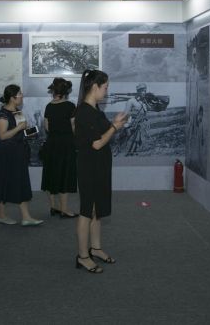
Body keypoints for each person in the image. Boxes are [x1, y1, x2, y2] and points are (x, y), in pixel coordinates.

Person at [74, 70, 127, 273]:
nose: (107, 91)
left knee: (97, 209)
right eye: (105, 87)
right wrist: (114, 127)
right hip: (89, 167)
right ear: (95, 87)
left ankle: (95, 248)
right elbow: (96, 143)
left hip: (99, 166)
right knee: (87, 211)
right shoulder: (84, 112)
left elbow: (102, 132)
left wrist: (115, 124)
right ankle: (82, 256)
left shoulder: (94, 109)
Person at [0, 84, 43, 226]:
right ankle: (2, 215)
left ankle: (26, 217)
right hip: (7, 153)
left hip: (19, 151)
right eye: (19, 94)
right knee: (3, 182)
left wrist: (32, 131)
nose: (22, 96)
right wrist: (19, 127)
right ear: (12, 98)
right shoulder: (2, 114)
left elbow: (21, 133)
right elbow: (3, 136)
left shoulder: (18, 111)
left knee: (21, 182)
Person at [40, 78, 78, 218]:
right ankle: (64, 209)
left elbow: (47, 127)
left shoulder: (49, 106)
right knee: (65, 175)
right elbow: (74, 127)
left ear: (54, 91)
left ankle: (53, 207)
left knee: (51, 174)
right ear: (66, 92)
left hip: (52, 144)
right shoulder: (70, 106)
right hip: (66, 144)